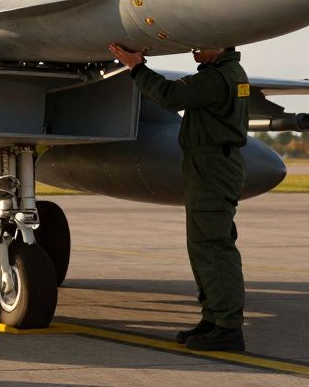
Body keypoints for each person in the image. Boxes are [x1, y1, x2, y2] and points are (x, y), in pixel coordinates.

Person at [107, 42, 250, 352]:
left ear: (221, 44)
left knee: (213, 246)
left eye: (203, 40)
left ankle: (227, 327)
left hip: (212, 166)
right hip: (211, 164)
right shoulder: (229, 73)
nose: (194, 47)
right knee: (203, 245)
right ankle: (213, 319)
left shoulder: (216, 78)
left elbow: (171, 95)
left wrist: (136, 67)